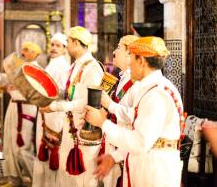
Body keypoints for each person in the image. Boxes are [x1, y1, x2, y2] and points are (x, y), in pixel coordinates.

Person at [85, 36, 184, 187]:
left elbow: (140, 141)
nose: (129, 62)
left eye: (131, 57)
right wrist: (115, 156)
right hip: (146, 166)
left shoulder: (157, 94)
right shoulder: (149, 89)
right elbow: (143, 134)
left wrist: (103, 123)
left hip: (154, 172)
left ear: (142, 61)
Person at [40, 26, 104, 187]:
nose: (66, 45)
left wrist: (56, 107)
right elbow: (68, 92)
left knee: (83, 179)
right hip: (70, 127)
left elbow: (87, 102)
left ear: (76, 43)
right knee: (66, 176)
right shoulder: (75, 66)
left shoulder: (93, 68)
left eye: (67, 42)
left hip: (84, 131)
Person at [0, 42, 42, 187]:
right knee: (9, 144)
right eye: (22, 49)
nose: (22, 52)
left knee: (23, 147)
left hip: (27, 109)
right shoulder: (20, 68)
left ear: (35, 53)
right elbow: (3, 79)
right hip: (13, 106)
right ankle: (14, 179)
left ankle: (36, 181)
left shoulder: (37, 70)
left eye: (26, 50)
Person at [96, 35, 139, 187]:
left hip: (125, 145)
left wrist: (110, 105)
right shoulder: (122, 78)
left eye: (119, 47)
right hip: (113, 139)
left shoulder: (138, 81)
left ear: (130, 54)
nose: (114, 52)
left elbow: (135, 115)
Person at [32, 32, 70, 187]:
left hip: (56, 114)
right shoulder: (53, 62)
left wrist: (45, 91)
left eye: (58, 45)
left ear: (65, 49)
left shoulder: (62, 65)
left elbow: (63, 92)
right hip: (47, 111)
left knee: (53, 154)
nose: (54, 48)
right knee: (44, 153)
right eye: (52, 44)